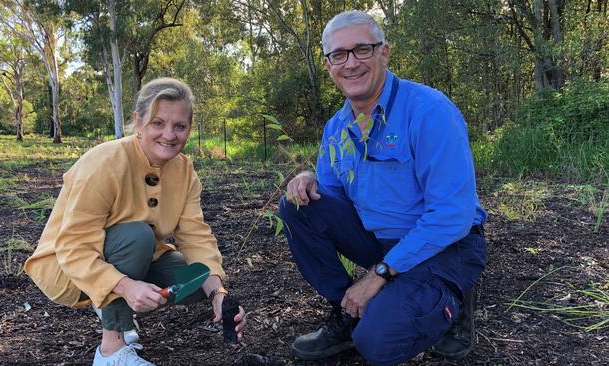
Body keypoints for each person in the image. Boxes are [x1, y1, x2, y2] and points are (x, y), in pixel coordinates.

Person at [279, 10, 487, 365]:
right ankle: (346, 311)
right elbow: (332, 197)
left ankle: (455, 299)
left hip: (446, 245)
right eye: (339, 55)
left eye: (362, 50)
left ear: (384, 52)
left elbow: (452, 215)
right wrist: (308, 179)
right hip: (381, 240)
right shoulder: (337, 128)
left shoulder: (429, 111)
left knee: (377, 344)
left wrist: (378, 274)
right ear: (328, 64)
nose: (351, 63)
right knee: (298, 205)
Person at [24, 77, 247, 366]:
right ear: (137, 122)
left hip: (135, 257)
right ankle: (111, 351)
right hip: (68, 268)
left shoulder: (184, 170)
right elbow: (73, 247)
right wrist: (126, 287)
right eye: (158, 123)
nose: (169, 135)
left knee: (195, 277)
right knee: (137, 236)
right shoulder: (104, 163)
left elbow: (195, 237)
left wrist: (218, 294)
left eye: (180, 126)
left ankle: (113, 304)